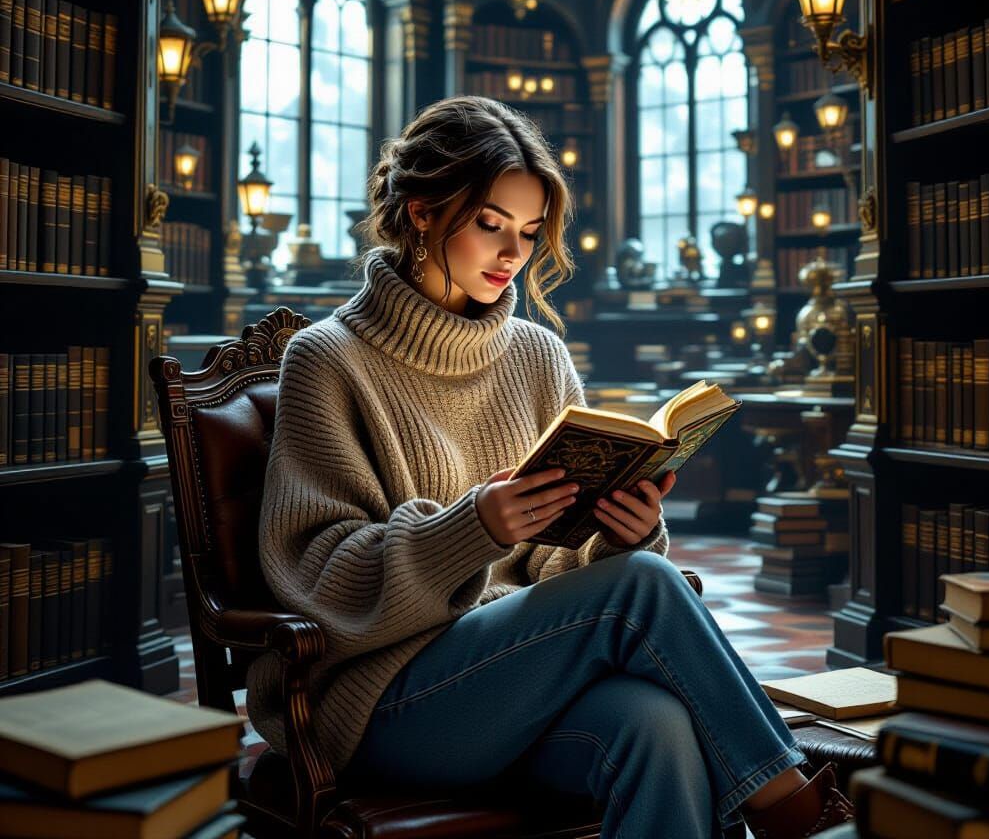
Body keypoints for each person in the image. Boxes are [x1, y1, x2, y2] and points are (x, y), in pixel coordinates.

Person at [247, 95, 853, 838]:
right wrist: (472, 529)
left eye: (530, 233)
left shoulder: (540, 357)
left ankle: (790, 808)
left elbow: (561, 573)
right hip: (383, 703)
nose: (512, 255)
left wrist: (620, 537)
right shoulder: (327, 359)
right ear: (421, 214)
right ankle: (798, 811)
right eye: (489, 224)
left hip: (522, 684)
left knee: (657, 726)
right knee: (642, 588)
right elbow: (316, 576)